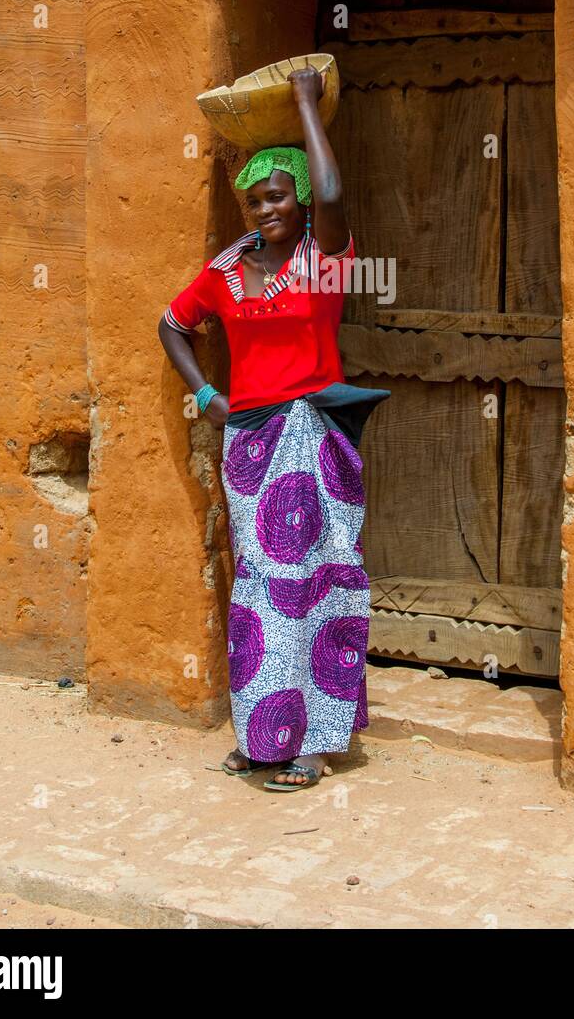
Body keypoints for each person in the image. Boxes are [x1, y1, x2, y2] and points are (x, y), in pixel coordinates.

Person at [158, 66, 389, 791]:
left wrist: (302, 104)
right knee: (261, 583)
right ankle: (264, 732)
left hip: (317, 435)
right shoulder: (227, 270)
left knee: (319, 577)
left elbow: (331, 194)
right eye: (254, 200)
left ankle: (316, 741)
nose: (266, 210)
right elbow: (171, 324)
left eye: (277, 195)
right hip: (251, 444)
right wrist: (205, 395)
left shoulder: (323, 259)